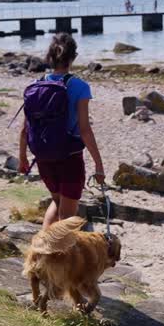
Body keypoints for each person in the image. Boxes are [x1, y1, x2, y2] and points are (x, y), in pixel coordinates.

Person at [18, 33, 105, 228]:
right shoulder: (80, 87)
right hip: (70, 158)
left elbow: (25, 128)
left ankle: (42, 250)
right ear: (73, 57)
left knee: (57, 202)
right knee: (67, 217)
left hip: (43, 156)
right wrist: (99, 165)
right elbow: (85, 130)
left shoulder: (35, 86)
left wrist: (22, 157)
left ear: (49, 58)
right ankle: (55, 256)